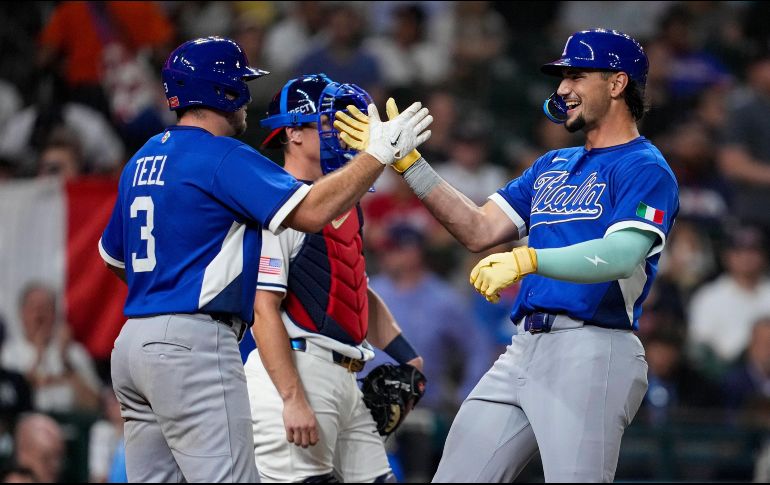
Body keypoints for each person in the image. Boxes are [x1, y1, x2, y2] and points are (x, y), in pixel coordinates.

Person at [335, 28, 680, 482]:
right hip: (524, 348)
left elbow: (622, 255)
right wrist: (408, 163)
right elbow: (478, 229)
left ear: (617, 83)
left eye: (576, 76)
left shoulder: (646, 167)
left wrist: (529, 260)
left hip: (594, 347)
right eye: (562, 78)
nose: (562, 89)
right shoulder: (552, 164)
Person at [99, 37, 432, 482]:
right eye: (241, 84)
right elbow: (311, 212)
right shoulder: (222, 155)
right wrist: (378, 154)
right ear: (225, 92)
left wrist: (166, 291)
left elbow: (114, 258)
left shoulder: (141, 158)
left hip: (134, 342)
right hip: (193, 340)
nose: (246, 98)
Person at [244, 73, 424, 483]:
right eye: (330, 122)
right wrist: (292, 399)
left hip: (346, 378)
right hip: (297, 370)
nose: (343, 133)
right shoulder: (276, 203)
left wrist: (407, 355)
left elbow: (353, 283)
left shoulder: (344, 203)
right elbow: (262, 308)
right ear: (294, 132)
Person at [2, 283, 101, 413]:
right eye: (33, 308)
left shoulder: (74, 352)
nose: (39, 315)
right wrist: (38, 357)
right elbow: (13, 399)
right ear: (22, 314)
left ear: (55, 314)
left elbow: (94, 404)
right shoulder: (9, 354)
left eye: (45, 308)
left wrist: (66, 363)